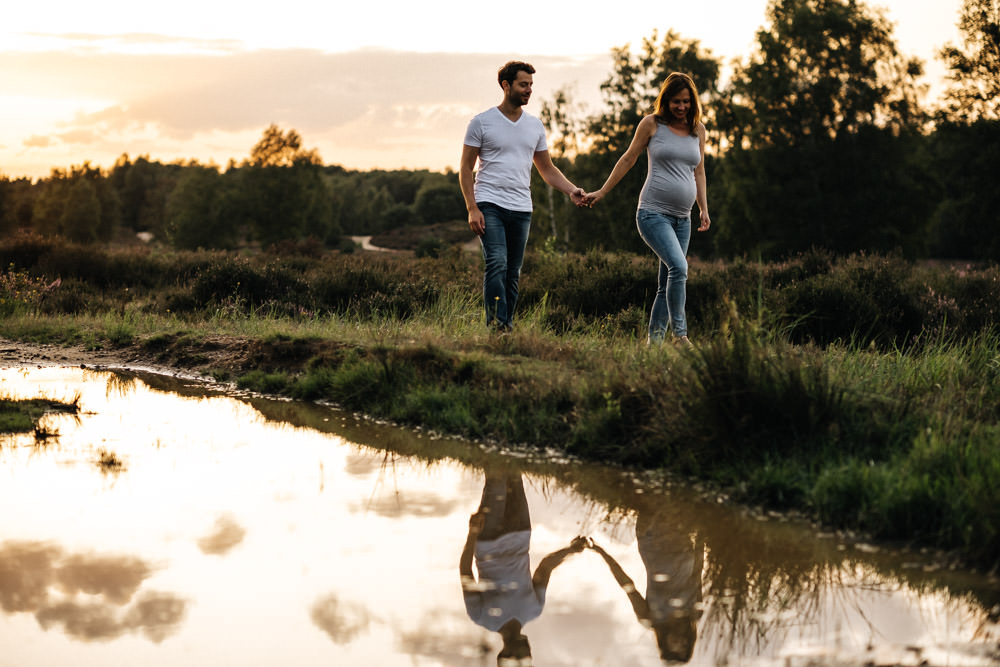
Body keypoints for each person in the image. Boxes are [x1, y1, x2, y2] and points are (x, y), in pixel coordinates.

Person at [583, 72, 711, 347]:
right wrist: (603, 191)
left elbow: (699, 171)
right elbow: (628, 158)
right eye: (676, 101)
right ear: (666, 101)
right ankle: (680, 335)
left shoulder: (698, 130)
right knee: (679, 268)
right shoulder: (652, 124)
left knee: (667, 284)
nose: (681, 107)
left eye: (686, 102)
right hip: (653, 213)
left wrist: (703, 208)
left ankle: (653, 345)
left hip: (683, 219)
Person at [460, 61, 586, 332]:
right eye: (523, 84)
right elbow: (464, 169)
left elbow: (547, 169)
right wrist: (472, 208)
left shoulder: (535, 126)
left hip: (521, 208)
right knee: (497, 263)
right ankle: (497, 326)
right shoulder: (481, 122)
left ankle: (506, 325)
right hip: (489, 203)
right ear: (506, 86)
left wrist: (571, 190)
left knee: (513, 272)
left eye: (531, 85)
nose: (529, 90)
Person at [460, 468, 587, 665]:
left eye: (522, 658)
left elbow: (466, 573)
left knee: (496, 481)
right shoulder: (534, 609)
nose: (529, 653)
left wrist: (473, 533)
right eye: (529, 659)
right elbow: (545, 568)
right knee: (514, 472)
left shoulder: (481, 617)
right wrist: (571, 550)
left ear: (506, 655)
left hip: (489, 539)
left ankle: (488, 442)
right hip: (521, 531)